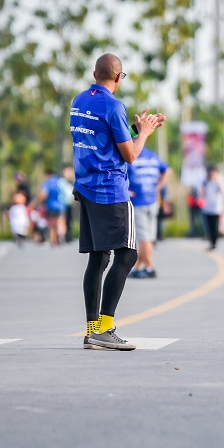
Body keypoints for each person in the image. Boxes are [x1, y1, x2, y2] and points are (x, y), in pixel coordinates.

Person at [70, 53, 165, 350]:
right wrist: (145, 133)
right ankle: (106, 327)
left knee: (98, 258)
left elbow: (105, 140)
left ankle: (91, 329)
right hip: (110, 191)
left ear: (94, 73)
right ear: (118, 77)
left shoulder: (79, 101)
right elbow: (130, 155)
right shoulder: (114, 106)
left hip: (85, 187)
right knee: (127, 255)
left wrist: (134, 129)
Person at [127, 146, 169, 278]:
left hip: (139, 201)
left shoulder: (130, 155)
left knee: (143, 237)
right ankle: (138, 266)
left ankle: (150, 267)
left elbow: (117, 174)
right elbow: (167, 171)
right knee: (149, 237)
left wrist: (124, 191)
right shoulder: (152, 155)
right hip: (152, 201)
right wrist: (157, 188)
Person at [29, 169, 67, 246]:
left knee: (52, 224)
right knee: (61, 222)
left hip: (52, 206)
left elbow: (43, 194)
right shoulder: (60, 181)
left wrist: (35, 203)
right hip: (62, 205)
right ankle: (61, 235)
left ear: (47, 175)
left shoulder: (48, 183)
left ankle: (54, 240)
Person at [201, 165, 224, 250]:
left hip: (216, 207)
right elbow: (201, 192)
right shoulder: (205, 182)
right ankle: (211, 241)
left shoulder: (220, 181)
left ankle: (214, 242)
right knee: (208, 226)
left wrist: (217, 180)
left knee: (215, 226)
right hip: (207, 207)